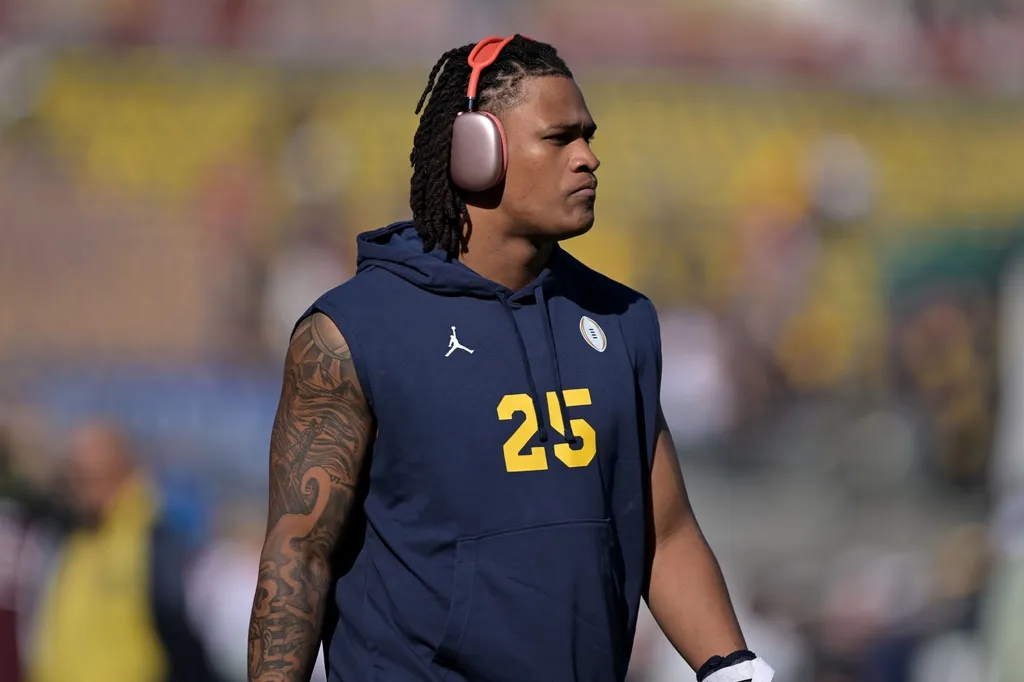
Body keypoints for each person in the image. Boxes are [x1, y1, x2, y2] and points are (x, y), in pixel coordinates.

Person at [247, 35, 774, 682]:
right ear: (477, 151)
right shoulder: (354, 331)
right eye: (560, 138)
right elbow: (298, 556)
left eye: (587, 137)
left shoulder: (622, 320)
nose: (588, 158)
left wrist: (732, 668)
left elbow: (664, 532)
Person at [27, 420, 221, 682]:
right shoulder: (72, 536)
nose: (76, 488)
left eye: (87, 477)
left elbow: (185, 641)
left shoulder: (155, 541)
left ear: (120, 470)